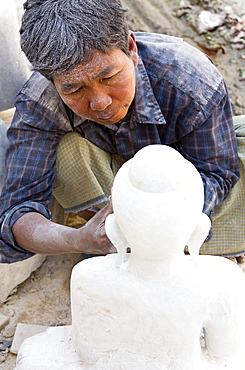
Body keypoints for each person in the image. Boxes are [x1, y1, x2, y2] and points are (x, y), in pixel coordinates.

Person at [0, 0, 244, 264]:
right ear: (52, 82)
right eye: (74, 90)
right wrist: (80, 238)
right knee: (68, 150)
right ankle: (109, 244)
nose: (100, 102)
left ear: (131, 48)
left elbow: (217, 173)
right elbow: (14, 214)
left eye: (109, 77)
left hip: (183, 198)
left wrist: (160, 215)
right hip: (110, 197)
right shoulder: (41, 102)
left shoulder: (188, 79)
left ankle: (197, 245)